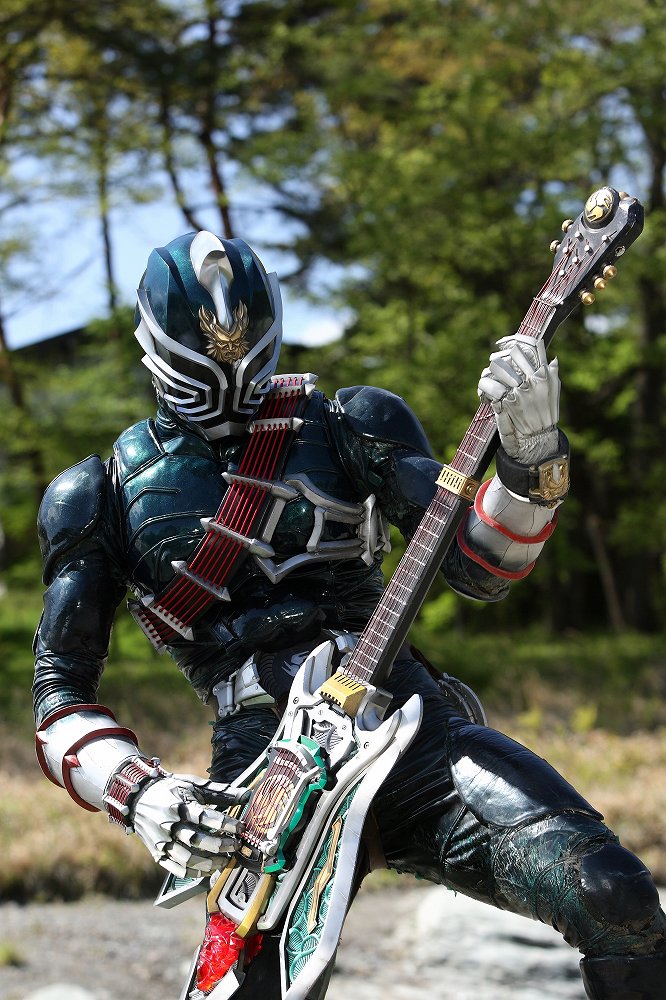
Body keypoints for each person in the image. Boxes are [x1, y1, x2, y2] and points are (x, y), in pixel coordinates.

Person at [33, 231, 665, 1000]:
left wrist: (531, 461)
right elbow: (58, 687)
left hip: (408, 723)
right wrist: (138, 791)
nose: (231, 393)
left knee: (615, 898)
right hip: (264, 769)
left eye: (246, 366)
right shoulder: (98, 493)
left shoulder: (349, 424)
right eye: (204, 374)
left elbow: (479, 565)